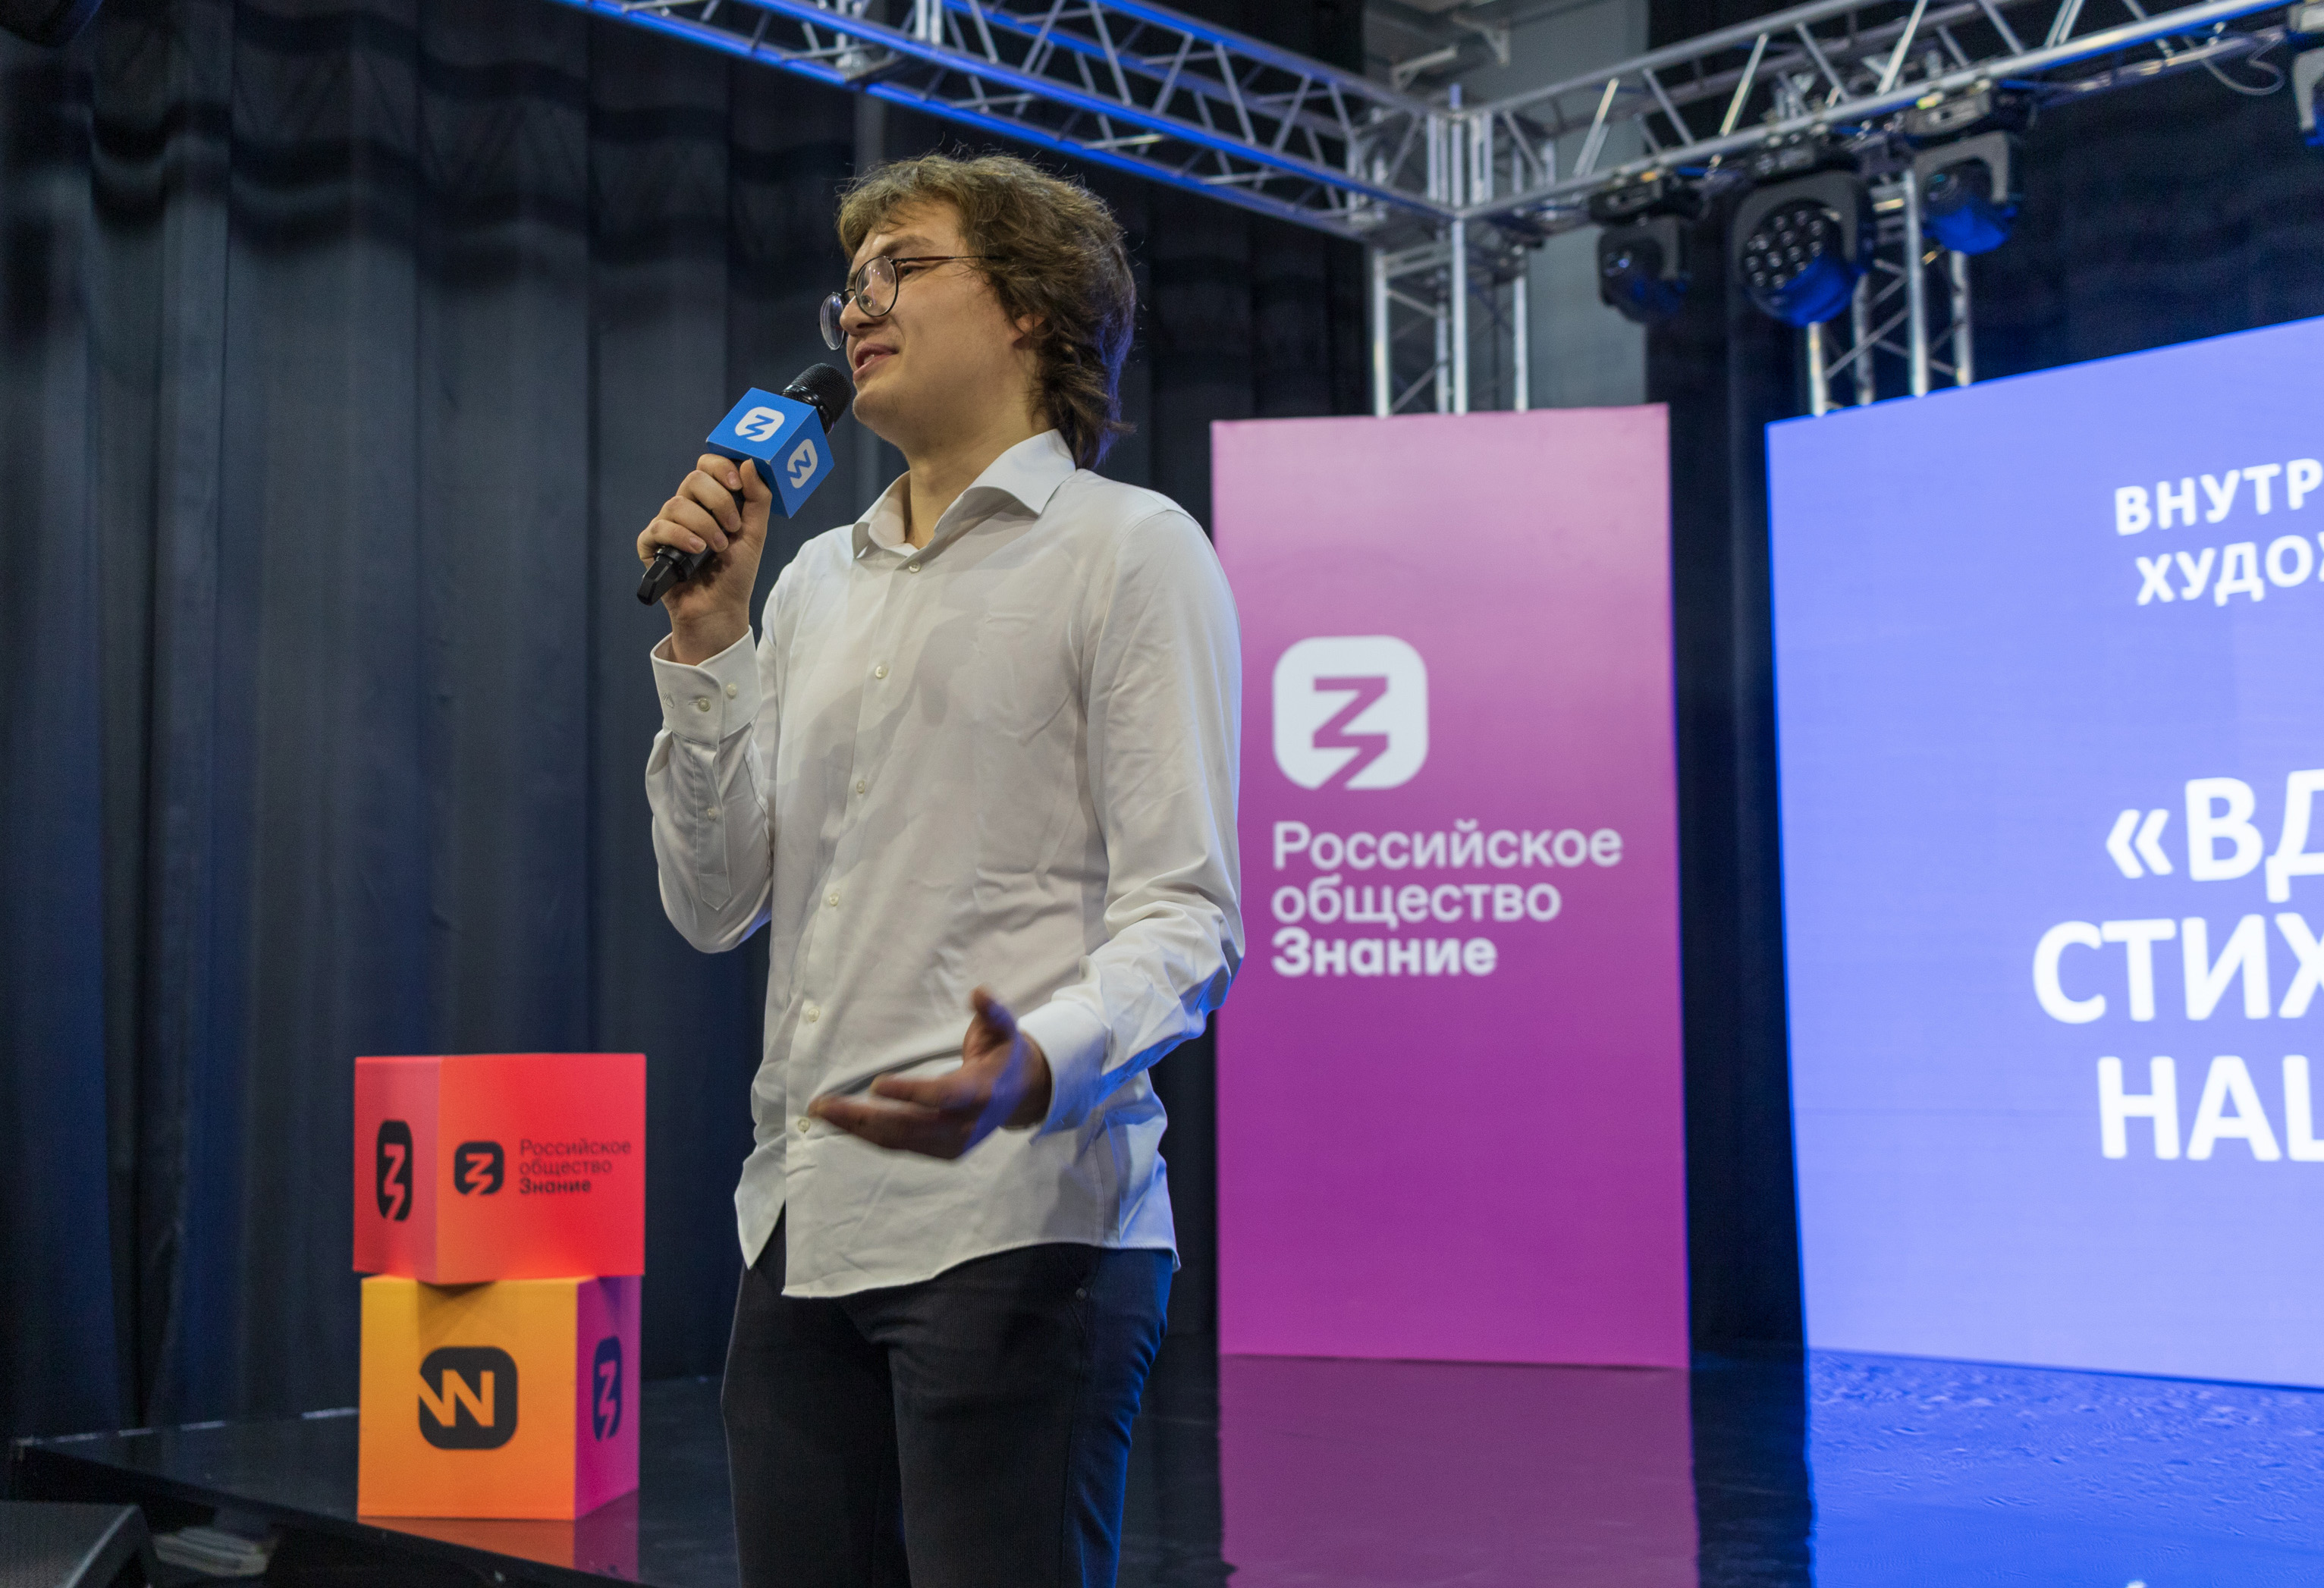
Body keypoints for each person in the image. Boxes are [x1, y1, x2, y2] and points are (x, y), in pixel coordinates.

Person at [633, 152, 1242, 1588]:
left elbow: (1189, 916)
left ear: (1030, 306)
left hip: (1023, 1218)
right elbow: (716, 906)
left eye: (901, 268)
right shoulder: (811, 585)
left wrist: (1036, 1063)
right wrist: (707, 650)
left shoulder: (1129, 551)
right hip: (802, 1220)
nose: (858, 309)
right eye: (849, 286)